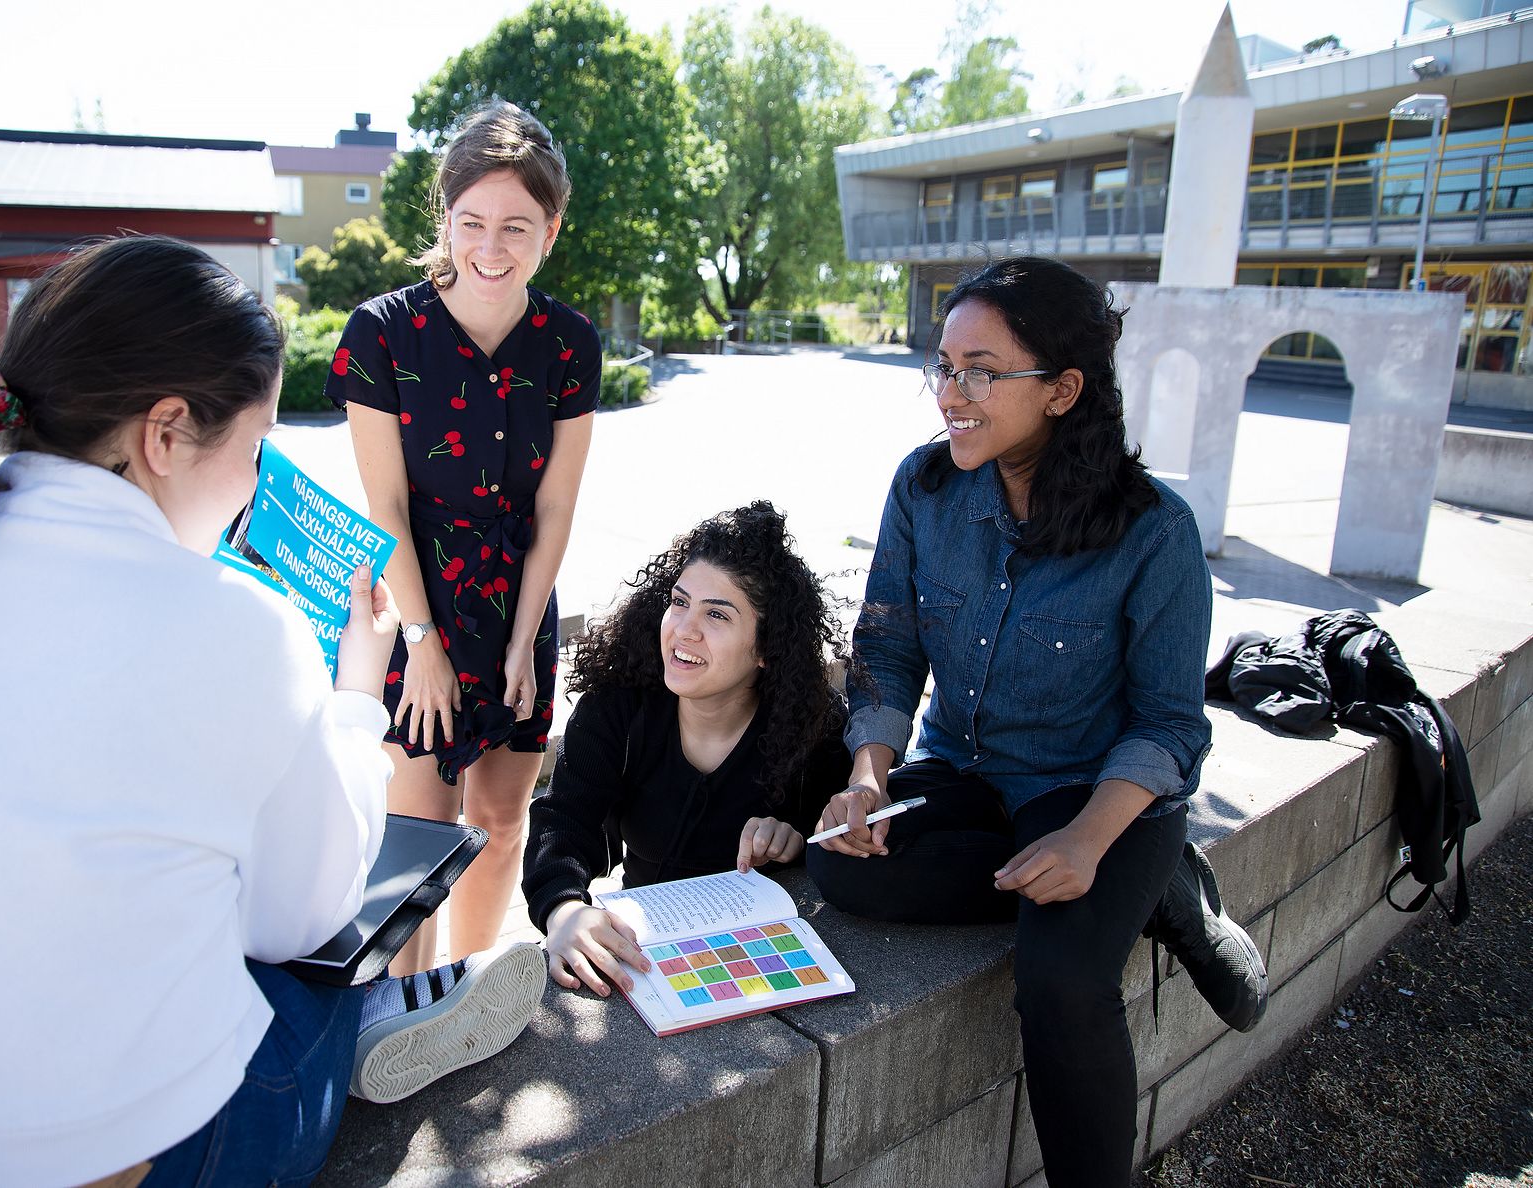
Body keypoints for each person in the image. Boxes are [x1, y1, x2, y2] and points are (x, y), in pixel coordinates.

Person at [0, 236, 545, 1188]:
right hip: (104, 1162)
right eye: (254, 450)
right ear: (165, 433)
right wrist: (351, 692)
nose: (258, 483)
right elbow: (307, 914)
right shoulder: (235, 626)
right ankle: (375, 1022)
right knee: (317, 969)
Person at [807, 257, 1268, 1188]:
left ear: (1062, 389)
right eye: (942, 366)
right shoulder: (925, 488)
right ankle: (1136, 887)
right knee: (835, 862)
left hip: (1092, 790)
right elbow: (889, 646)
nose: (951, 394)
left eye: (982, 370)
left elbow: (1172, 725)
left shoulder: (1156, 531)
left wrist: (1097, 843)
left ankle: (1154, 872)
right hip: (965, 768)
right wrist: (868, 776)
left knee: (1060, 985)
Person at [329, 100, 600, 974]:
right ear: (443, 219)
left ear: (550, 230)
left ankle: (472, 993)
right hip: (416, 601)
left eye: (517, 225)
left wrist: (525, 639)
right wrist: (423, 641)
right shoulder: (380, 331)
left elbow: (555, 506)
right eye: (472, 221)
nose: (492, 246)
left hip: (520, 601)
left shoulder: (569, 343)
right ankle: (404, 1016)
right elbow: (385, 509)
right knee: (417, 836)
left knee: (502, 819)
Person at [522, 502, 852, 996]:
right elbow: (562, 822)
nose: (684, 629)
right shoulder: (617, 708)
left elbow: (849, 840)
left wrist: (797, 840)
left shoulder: (813, 726)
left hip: (752, 956)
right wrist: (565, 909)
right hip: (644, 944)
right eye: (679, 602)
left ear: (766, 648)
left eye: (716, 614)